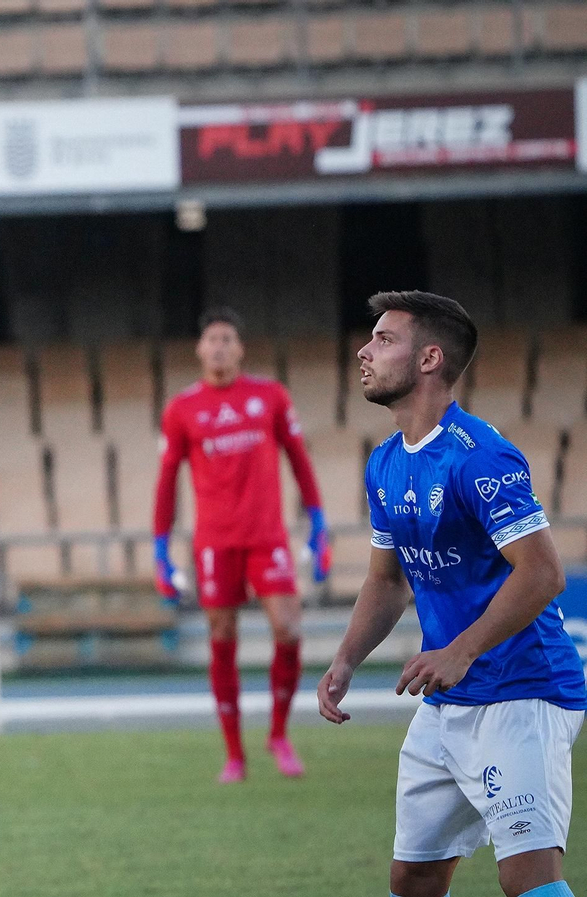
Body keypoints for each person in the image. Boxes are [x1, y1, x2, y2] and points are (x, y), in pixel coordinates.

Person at [319, 291, 583, 897]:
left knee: (529, 882)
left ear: (431, 358)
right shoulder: (384, 461)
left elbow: (543, 572)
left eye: (385, 339)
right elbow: (388, 579)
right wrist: (346, 659)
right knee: (412, 879)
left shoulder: (480, 455)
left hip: (522, 692)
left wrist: (460, 650)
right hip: (447, 702)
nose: (365, 350)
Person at [153, 307, 330, 783]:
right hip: (214, 543)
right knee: (221, 638)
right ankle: (234, 753)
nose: (219, 347)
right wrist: (159, 549)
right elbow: (167, 481)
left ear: (240, 348)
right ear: (199, 348)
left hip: (266, 537)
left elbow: (299, 460)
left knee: (289, 630)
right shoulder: (182, 409)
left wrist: (318, 523)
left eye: (228, 339)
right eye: (212, 339)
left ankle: (278, 734)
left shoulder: (269, 397)